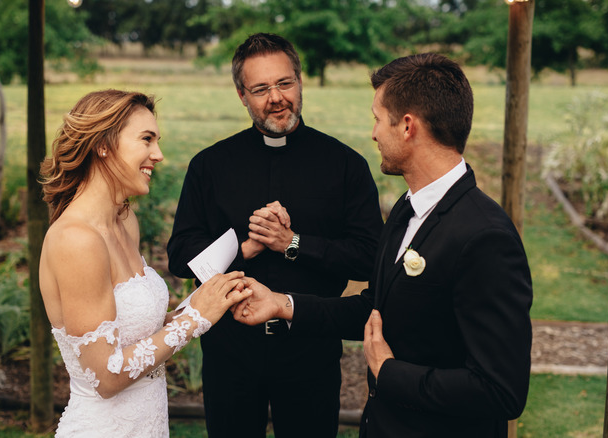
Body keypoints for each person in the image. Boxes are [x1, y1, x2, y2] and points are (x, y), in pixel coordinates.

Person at [234, 53, 533, 438]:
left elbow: (501, 391)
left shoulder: (485, 237)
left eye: (377, 119)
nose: (373, 133)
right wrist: (282, 304)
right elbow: (375, 309)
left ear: (407, 126)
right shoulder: (406, 210)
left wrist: (390, 373)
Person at [166, 33, 383, 437]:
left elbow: (371, 257)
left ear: (300, 82)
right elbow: (181, 256)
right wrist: (245, 245)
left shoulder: (345, 166)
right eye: (261, 89)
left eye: (284, 83)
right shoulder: (209, 166)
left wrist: (293, 244)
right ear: (241, 95)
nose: (276, 98)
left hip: (310, 346)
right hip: (229, 352)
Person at [38, 89, 251, 437]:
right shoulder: (77, 240)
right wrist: (196, 319)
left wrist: (206, 302)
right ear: (103, 145)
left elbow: (138, 336)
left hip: (149, 423)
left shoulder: (125, 221)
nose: (159, 154)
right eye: (146, 140)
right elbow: (106, 376)